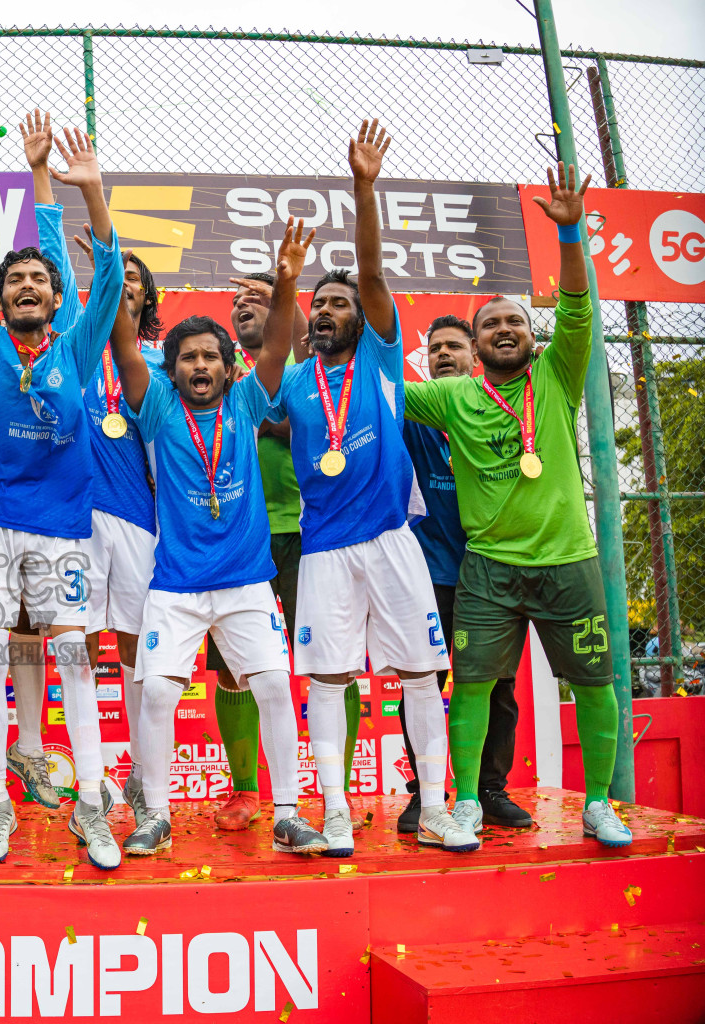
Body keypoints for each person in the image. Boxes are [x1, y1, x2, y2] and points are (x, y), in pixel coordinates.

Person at [406, 163, 630, 848]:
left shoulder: (558, 373)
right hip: (488, 568)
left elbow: (576, 307)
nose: (504, 329)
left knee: (592, 684)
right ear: (471, 347)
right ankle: (467, 801)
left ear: (530, 336)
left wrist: (568, 231)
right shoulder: (451, 396)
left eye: (514, 321)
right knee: (471, 686)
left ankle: (598, 803)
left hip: (569, 561)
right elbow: (375, 385)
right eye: (491, 324)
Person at [268, 120, 474, 857]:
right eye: (316, 306)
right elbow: (255, 387)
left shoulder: (382, 361)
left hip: (392, 540)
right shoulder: (292, 383)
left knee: (421, 675)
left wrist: (361, 186)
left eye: (337, 304)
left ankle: (438, 809)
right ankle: (334, 817)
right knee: (326, 683)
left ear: (361, 319)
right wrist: (287, 282)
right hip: (323, 549)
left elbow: (373, 273)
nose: (325, 312)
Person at [0, 108, 123, 867]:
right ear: (1, 299)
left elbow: (105, 272)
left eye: (38, 278)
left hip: (60, 526)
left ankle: (92, 805)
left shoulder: (75, 349)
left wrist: (84, 190)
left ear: (54, 296)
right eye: (14, 280)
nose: (26, 286)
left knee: (70, 655)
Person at [112, 220, 329, 857]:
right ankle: (155, 813)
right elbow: (126, 345)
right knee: (156, 692)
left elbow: (279, 349)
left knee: (270, 685)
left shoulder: (244, 405)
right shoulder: (153, 409)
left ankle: (287, 812)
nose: (200, 364)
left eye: (210, 355)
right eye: (188, 358)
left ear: (228, 366)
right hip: (175, 585)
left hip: (244, 582)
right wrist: (105, 274)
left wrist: (287, 282)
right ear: (171, 371)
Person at [28, 107, 159, 823]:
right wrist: (47, 174)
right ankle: (93, 777)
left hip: (137, 523)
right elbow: (53, 255)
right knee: (73, 649)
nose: (125, 288)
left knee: (139, 654)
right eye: (118, 280)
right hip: (70, 521)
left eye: (136, 283)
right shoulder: (71, 347)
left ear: (147, 299)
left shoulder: (163, 367)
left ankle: (143, 777)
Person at [205, 273, 365, 831]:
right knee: (232, 672)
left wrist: (285, 300)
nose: (246, 308)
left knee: (334, 666)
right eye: (238, 305)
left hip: (307, 533)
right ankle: (244, 790)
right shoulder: (211, 378)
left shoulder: (306, 374)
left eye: (259, 303)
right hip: (238, 541)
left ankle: (336, 794)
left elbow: (288, 409)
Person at [398, 315, 527, 832]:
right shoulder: (414, 413)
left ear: (476, 355)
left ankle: (490, 790)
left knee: (496, 687)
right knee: (423, 685)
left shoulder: (505, 412)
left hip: (492, 573)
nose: (443, 355)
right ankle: (426, 795)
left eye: (454, 346)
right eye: (435, 349)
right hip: (427, 574)